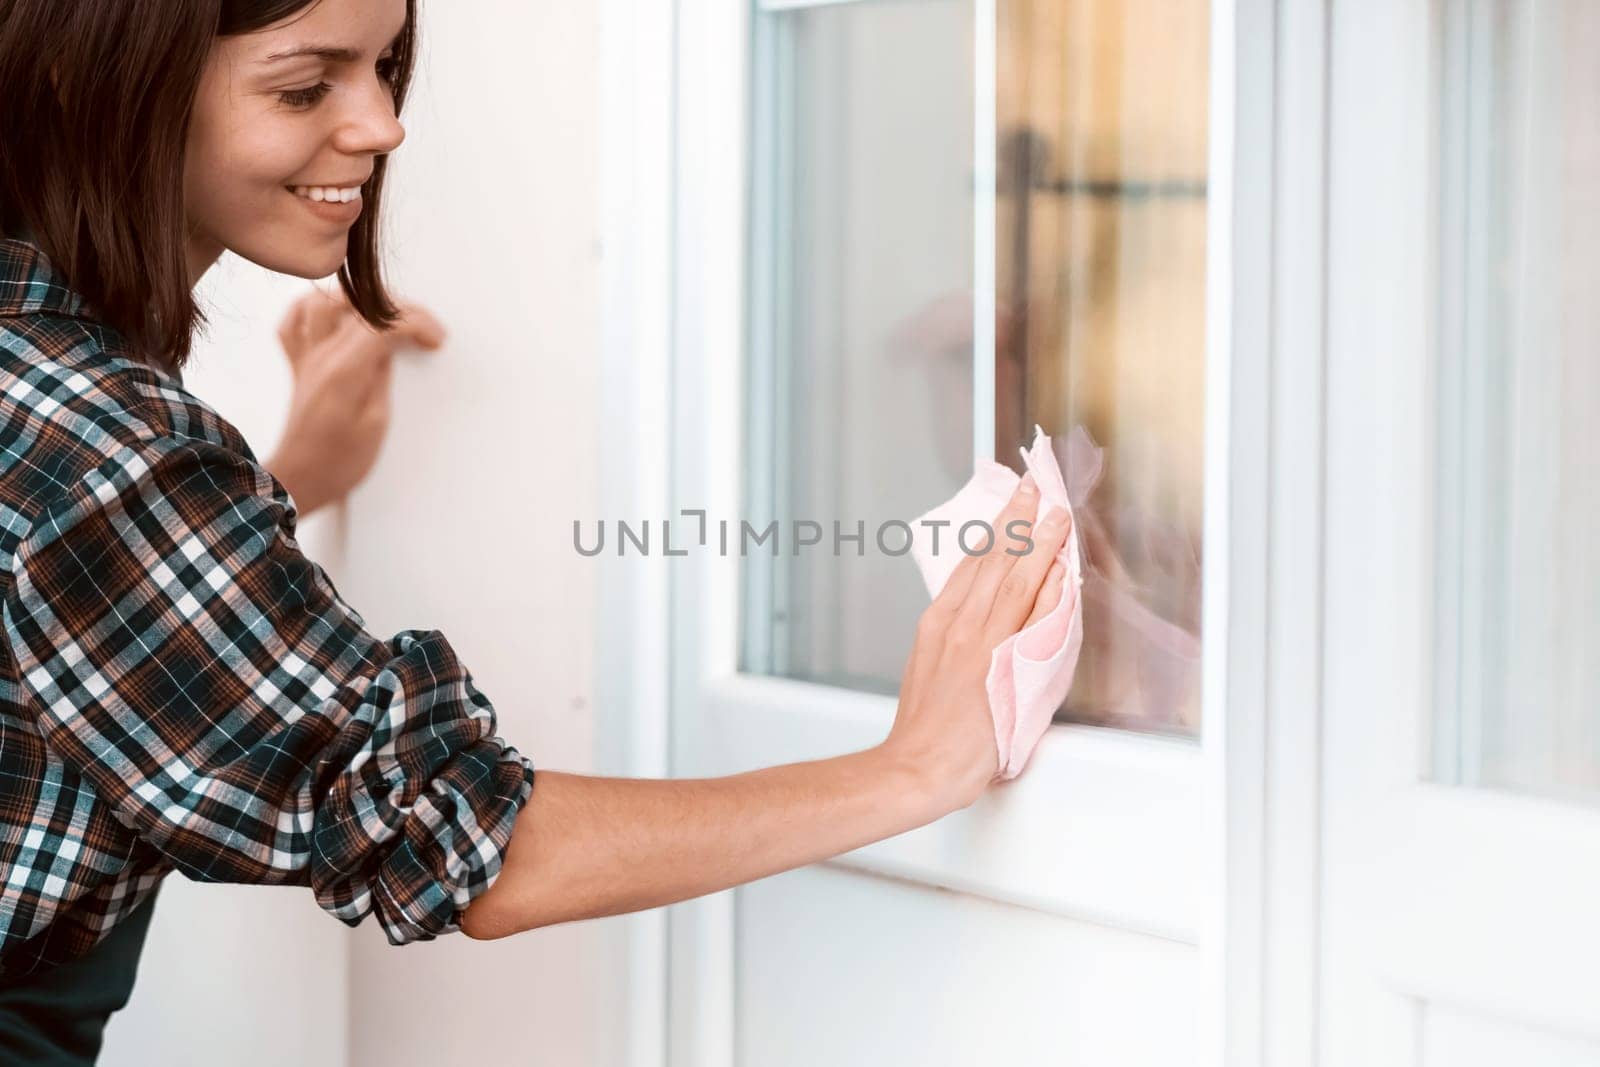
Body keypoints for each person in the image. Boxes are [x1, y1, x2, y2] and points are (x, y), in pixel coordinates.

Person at [0, 0, 1071, 1060]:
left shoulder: (51, 405)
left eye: (387, 64)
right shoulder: (102, 457)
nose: (380, 123)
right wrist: (911, 769)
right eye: (303, 83)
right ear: (81, 72)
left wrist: (284, 480)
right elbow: (477, 845)